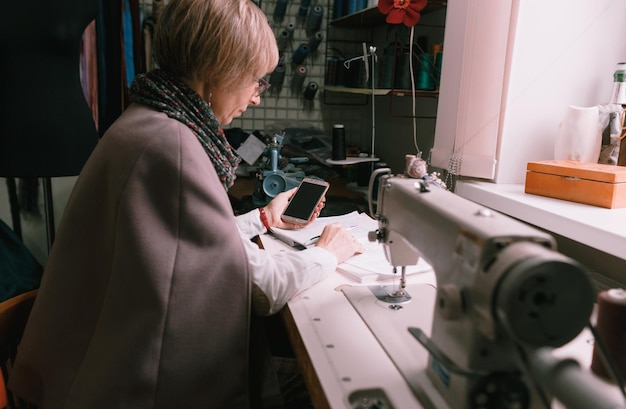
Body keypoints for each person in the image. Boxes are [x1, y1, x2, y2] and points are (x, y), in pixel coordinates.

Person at [9, 0, 363, 407]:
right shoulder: (173, 145)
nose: (256, 99)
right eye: (255, 81)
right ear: (219, 72)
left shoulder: (149, 119)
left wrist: (262, 220)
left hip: (96, 363)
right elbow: (263, 288)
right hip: (128, 385)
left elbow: (181, 245)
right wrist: (327, 253)